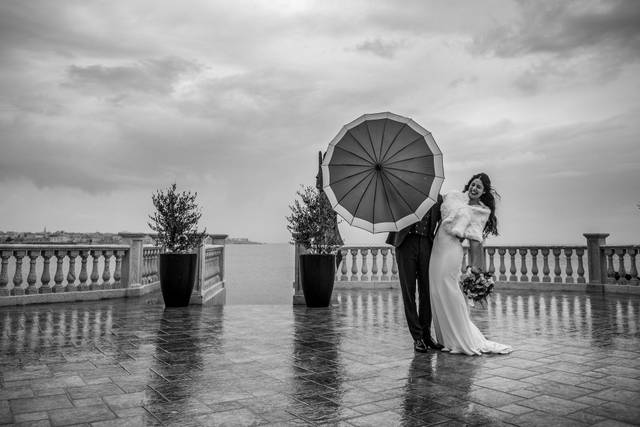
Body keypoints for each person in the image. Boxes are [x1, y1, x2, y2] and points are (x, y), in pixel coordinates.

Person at [429, 173, 512, 355]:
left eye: (479, 187)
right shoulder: (455, 197)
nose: (474, 188)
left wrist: (475, 268)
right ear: (469, 185)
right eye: (473, 184)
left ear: (483, 192)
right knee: (435, 290)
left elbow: (475, 240)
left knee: (449, 290)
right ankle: (445, 338)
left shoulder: (480, 211)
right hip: (437, 246)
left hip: (451, 249)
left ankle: (461, 338)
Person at [386, 195, 444, 353]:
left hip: (426, 243)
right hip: (406, 243)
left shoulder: (438, 198)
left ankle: (426, 334)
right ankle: (417, 337)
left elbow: (445, 221)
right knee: (408, 292)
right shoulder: (402, 191)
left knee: (427, 291)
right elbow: (390, 209)